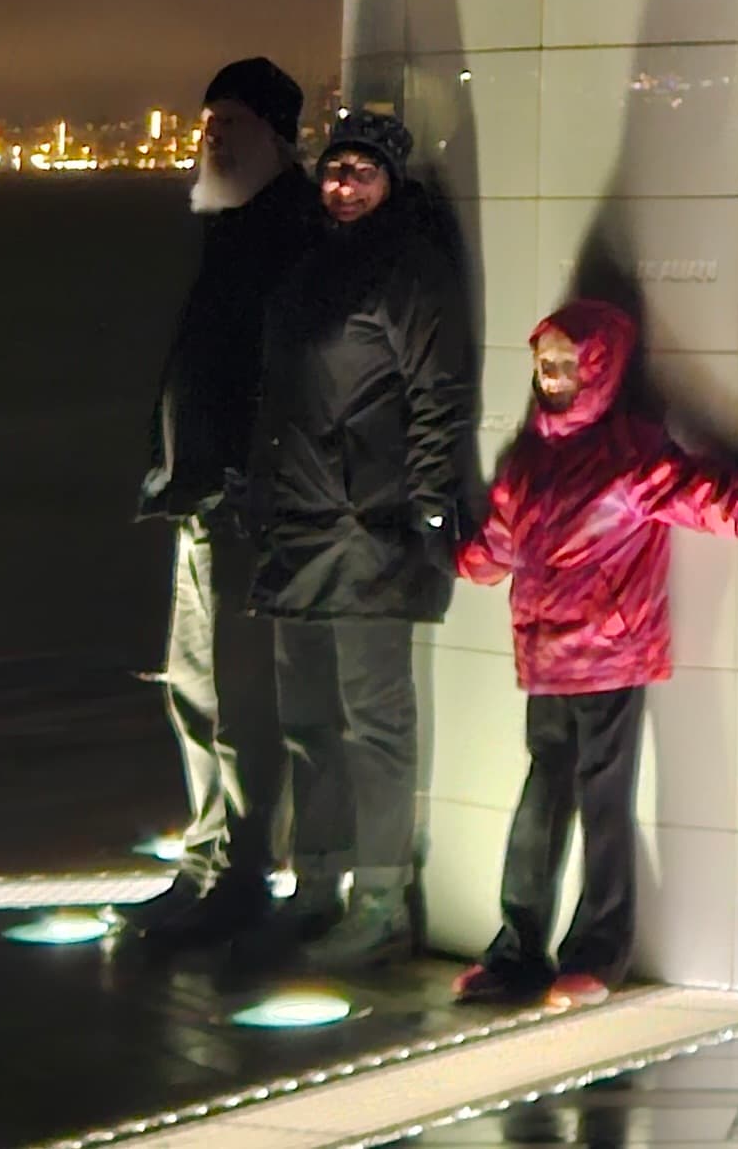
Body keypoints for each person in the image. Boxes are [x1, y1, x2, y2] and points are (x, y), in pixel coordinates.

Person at [454, 300, 738, 1013]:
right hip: (551, 661)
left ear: (599, 367)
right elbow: (495, 547)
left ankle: (594, 951)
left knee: (600, 802)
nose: (552, 379)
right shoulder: (530, 462)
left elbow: (715, 498)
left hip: (611, 659)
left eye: (565, 365)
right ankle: (519, 950)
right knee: (543, 803)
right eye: (545, 366)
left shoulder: (629, 458)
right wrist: (453, 555)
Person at [246, 107, 480, 973]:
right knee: (308, 716)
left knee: (372, 721)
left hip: (368, 526)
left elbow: (438, 397)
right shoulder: (309, 267)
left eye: (362, 173)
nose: (344, 187)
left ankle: (379, 899)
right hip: (300, 522)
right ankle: (316, 882)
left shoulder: (410, 273)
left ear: (392, 182)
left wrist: (424, 510)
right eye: (335, 171)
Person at [117, 57, 322, 954]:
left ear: (278, 137)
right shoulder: (237, 225)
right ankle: (206, 861)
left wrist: (250, 479)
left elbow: (286, 377)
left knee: (238, 700)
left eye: (232, 126)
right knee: (192, 691)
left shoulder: (289, 233)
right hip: (201, 497)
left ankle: (240, 874)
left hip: (244, 505)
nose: (215, 141)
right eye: (208, 127)